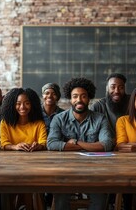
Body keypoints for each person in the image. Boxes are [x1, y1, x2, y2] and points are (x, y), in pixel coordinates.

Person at [47, 77, 115, 210]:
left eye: (83, 96)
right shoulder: (59, 119)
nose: (79, 100)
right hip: (65, 170)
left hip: (95, 171)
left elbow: (106, 145)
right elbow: (52, 143)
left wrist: (76, 142)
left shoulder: (100, 119)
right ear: (70, 99)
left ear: (89, 98)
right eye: (75, 96)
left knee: (100, 199)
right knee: (60, 199)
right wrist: (92, 146)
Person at [0, 87, 47, 151]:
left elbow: (44, 143)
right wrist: (15, 147)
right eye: (18, 104)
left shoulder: (39, 123)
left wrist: (38, 146)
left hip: (34, 157)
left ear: (33, 105)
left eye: (27, 103)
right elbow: (3, 144)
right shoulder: (5, 123)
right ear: (12, 106)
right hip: (11, 158)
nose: (22, 107)